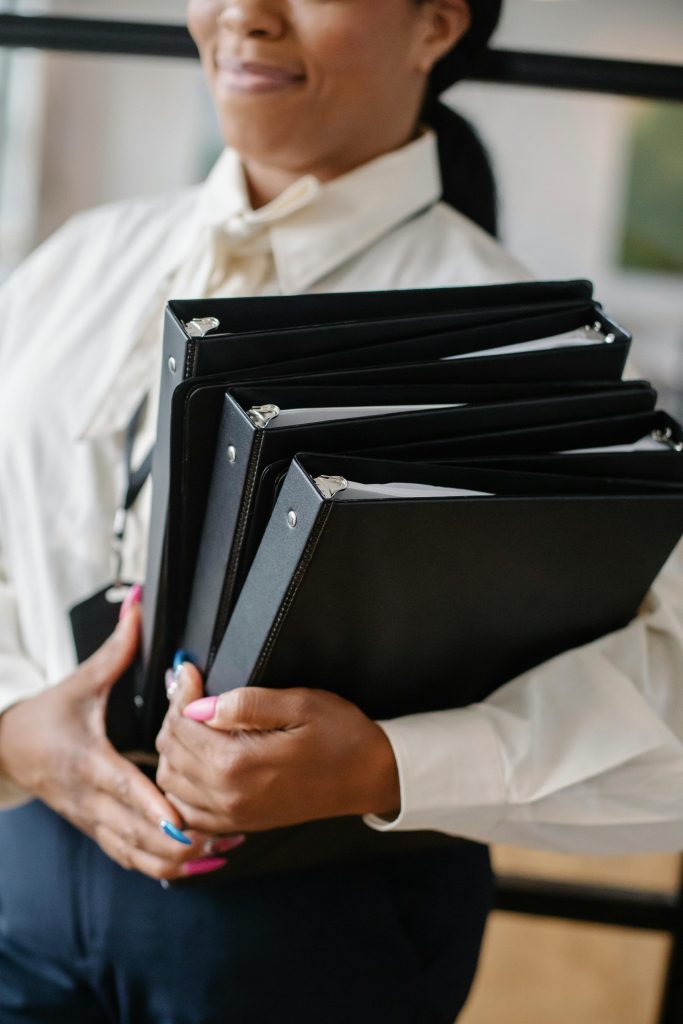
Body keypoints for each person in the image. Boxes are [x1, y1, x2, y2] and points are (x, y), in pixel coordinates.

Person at [0, 1, 682, 1022]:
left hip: (314, 935)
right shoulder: (72, 267)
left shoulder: (533, 359)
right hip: (23, 877)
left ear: (435, 25)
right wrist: (13, 730)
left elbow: (664, 697)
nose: (243, 14)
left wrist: (384, 764)